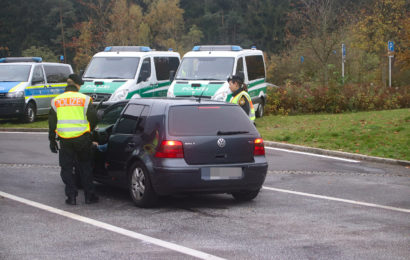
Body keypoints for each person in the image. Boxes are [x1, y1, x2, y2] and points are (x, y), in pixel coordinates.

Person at [49, 73, 99, 205]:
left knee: (66, 168)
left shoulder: (56, 101)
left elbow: (52, 123)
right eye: (80, 85)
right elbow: (94, 119)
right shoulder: (85, 99)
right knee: (85, 167)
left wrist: (52, 140)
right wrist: (89, 130)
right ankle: (89, 196)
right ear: (76, 85)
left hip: (65, 139)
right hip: (82, 138)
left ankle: (71, 197)